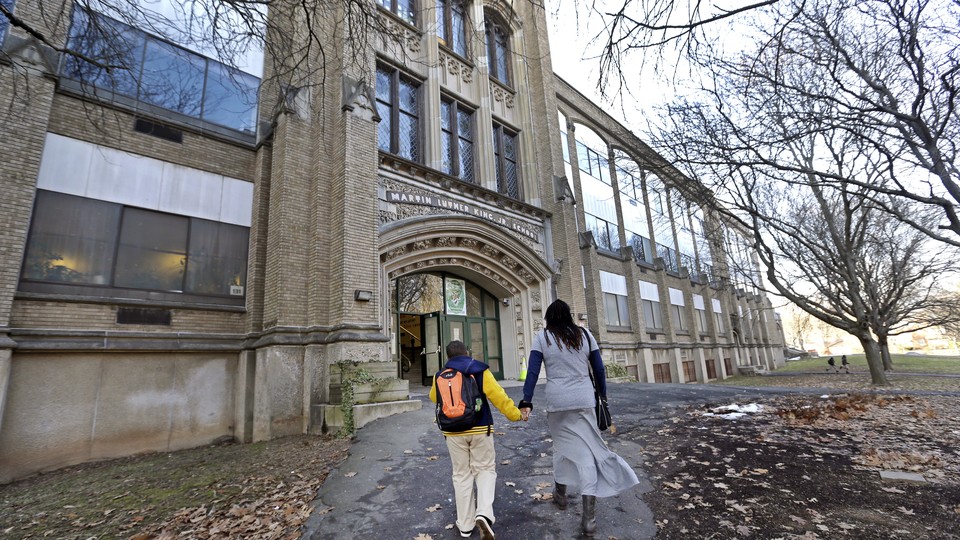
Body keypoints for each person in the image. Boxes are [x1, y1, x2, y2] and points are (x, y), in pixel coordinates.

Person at [518, 300, 639, 537]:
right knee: (587, 455)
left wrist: (527, 401)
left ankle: (561, 494)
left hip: (558, 403)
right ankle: (589, 518)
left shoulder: (543, 337)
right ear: (569, 316)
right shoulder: (584, 335)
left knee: (561, 448)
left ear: (549, 318)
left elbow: (533, 371)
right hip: (585, 401)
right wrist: (602, 395)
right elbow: (599, 369)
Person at [429, 340, 524, 540]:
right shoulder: (479, 370)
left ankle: (465, 525)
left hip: (453, 432)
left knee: (461, 475)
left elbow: (433, 397)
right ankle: (483, 513)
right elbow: (499, 396)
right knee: (485, 470)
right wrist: (515, 415)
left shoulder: (440, 375)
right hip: (480, 429)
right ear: (467, 353)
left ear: (448, 357)